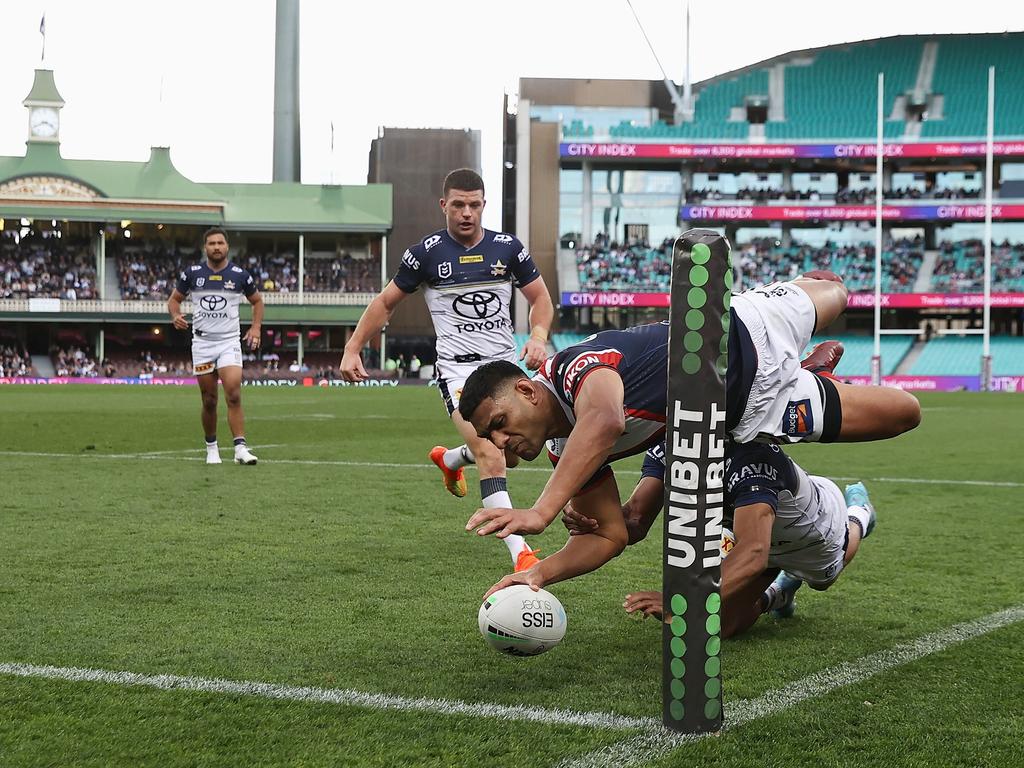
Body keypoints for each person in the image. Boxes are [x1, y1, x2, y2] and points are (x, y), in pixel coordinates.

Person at [458, 273, 920, 594]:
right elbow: (611, 535)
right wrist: (537, 574)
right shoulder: (566, 449)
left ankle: (808, 358)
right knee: (905, 414)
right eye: (489, 436)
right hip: (754, 408)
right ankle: (813, 379)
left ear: (526, 389)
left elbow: (605, 420)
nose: (500, 443)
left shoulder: (571, 368)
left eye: (499, 423)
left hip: (749, 325)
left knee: (836, 292)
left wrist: (541, 511)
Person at [340, 168, 554, 572]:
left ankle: (451, 460)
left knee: (513, 455)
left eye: (474, 204)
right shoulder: (425, 254)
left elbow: (540, 298)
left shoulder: (508, 249)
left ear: (484, 205)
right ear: (444, 206)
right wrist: (354, 348)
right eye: (458, 204)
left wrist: (539, 335)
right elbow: (386, 304)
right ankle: (521, 555)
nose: (467, 213)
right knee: (491, 454)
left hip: (506, 369)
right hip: (459, 374)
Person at [562, 438, 877, 638]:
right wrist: (600, 524)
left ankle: (859, 514)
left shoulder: (750, 455)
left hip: (811, 533)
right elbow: (634, 519)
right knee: (722, 627)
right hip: (749, 533)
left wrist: (682, 602)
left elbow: (753, 552)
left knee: (824, 580)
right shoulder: (669, 446)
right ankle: (780, 592)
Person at [168, 227, 263, 465]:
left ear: (227, 246)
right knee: (209, 399)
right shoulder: (192, 274)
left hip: (229, 341)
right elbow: (174, 300)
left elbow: (257, 301)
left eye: (220, 243)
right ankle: (211, 447)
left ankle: (240, 448)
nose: (217, 247)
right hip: (202, 343)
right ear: (205, 247)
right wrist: (175, 315)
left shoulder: (240, 275)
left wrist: (256, 328)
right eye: (212, 243)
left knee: (233, 392)